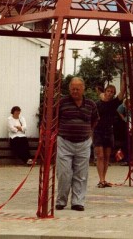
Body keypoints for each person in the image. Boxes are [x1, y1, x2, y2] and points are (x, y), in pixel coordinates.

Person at [56, 77, 99, 211]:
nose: (75, 91)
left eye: (78, 89)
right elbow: (54, 119)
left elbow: (95, 119)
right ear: (69, 89)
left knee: (81, 174)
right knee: (64, 173)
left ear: (83, 89)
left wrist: (88, 132)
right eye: (73, 89)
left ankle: (78, 202)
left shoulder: (91, 104)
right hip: (64, 142)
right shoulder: (62, 102)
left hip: (83, 143)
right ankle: (61, 201)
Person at [94, 77, 126, 188]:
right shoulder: (97, 103)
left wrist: (124, 78)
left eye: (112, 92)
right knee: (100, 156)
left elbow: (122, 92)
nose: (110, 93)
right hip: (98, 131)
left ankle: (104, 178)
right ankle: (101, 179)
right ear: (105, 91)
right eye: (108, 91)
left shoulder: (114, 103)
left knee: (107, 156)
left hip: (109, 131)